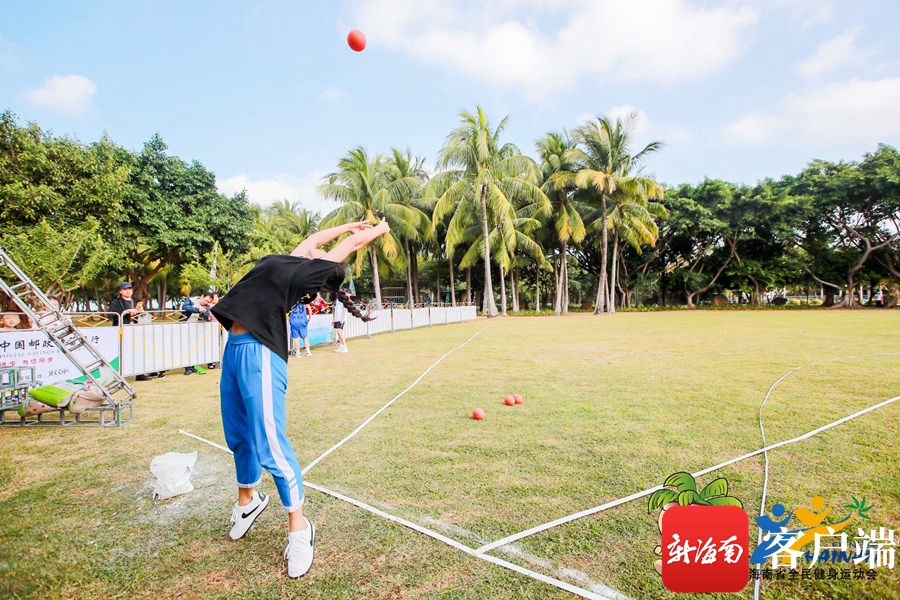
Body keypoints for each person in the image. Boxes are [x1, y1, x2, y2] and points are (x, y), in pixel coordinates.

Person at [210, 219, 386, 579]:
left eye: (321, 254)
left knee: (270, 445)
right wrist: (347, 225)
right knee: (239, 436)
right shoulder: (290, 263)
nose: (316, 248)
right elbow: (313, 239)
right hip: (235, 348)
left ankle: (299, 528)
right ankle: (247, 502)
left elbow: (346, 249)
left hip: (261, 352)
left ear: (319, 271)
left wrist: (376, 231)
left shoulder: (302, 276)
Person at [110, 282, 163, 380]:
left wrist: (141, 311)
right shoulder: (116, 302)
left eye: (129, 289)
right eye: (125, 289)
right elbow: (113, 314)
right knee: (123, 352)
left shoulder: (136, 300)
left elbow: (144, 314)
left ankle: (140, 374)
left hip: (136, 329)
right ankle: (119, 374)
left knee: (139, 351)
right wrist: (128, 312)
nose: (128, 291)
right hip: (123, 329)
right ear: (121, 291)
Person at [181, 291, 217, 375]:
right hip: (184, 327)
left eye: (208, 302)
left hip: (196, 330)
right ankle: (188, 368)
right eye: (206, 300)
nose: (206, 302)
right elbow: (185, 307)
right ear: (202, 296)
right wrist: (197, 310)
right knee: (186, 348)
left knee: (194, 348)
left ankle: (193, 366)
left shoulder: (207, 306)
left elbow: (206, 318)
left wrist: (206, 314)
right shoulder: (191, 300)